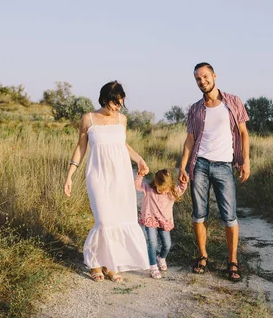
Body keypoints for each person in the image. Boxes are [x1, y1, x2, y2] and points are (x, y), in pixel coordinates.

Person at [63, 80, 150, 282]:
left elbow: (122, 144)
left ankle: (109, 265)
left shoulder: (122, 120)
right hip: (98, 176)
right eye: (114, 103)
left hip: (121, 176)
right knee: (104, 220)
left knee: (119, 219)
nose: (117, 107)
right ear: (104, 99)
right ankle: (94, 262)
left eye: (120, 103)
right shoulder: (89, 119)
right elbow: (81, 147)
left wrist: (139, 159)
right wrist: (69, 175)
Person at [178, 62, 250, 282]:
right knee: (199, 214)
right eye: (198, 79)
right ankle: (202, 256)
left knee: (229, 216)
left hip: (224, 166)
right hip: (199, 164)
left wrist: (246, 161)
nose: (202, 81)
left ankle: (232, 261)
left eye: (205, 77)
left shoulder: (234, 102)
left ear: (214, 76)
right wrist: (182, 165)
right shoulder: (195, 109)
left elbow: (243, 133)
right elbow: (190, 139)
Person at [134, 169, 188, 279]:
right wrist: (139, 175)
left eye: (165, 189)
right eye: (160, 188)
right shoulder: (149, 189)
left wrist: (183, 181)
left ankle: (161, 258)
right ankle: (153, 266)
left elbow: (182, 188)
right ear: (155, 183)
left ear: (170, 186)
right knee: (152, 243)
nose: (162, 191)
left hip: (165, 221)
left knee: (167, 244)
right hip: (151, 219)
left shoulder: (172, 192)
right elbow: (137, 185)